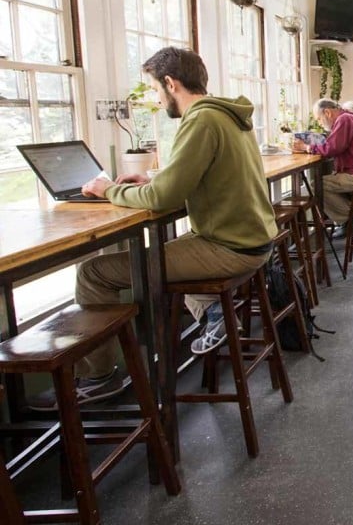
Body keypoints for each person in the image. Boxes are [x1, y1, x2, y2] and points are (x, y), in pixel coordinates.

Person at [29, 47, 278, 410]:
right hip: (251, 240)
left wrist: (109, 189)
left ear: (171, 83)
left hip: (228, 249)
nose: (160, 101)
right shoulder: (227, 115)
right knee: (171, 251)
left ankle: (99, 378)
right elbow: (192, 176)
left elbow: (162, 199)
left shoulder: (200, 120)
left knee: (93, 272)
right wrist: (149, 177)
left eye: (157, 91)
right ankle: (213, 313)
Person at [292, 98, 353, 228]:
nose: (319, 123)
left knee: (317, 186)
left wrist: (307, 147)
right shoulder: (349, 117)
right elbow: (334, 146)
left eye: (319, 118)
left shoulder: (344, 119)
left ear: (327, 112)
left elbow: (332, 148)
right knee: (326, 182)